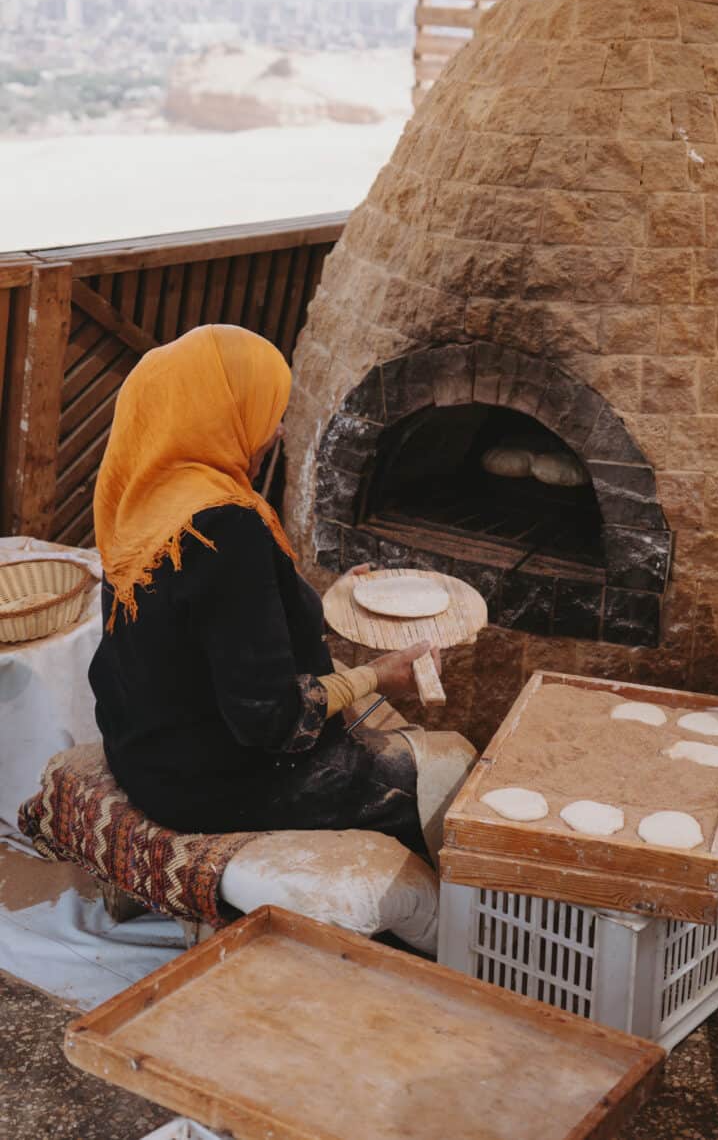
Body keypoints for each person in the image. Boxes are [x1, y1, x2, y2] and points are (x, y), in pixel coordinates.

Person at [88, 324, 465, 859]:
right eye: (267, 411)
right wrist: (379, 677)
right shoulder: (224, 527)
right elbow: (272, 720)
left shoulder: (141, 493)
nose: (279, 430)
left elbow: (203, 619)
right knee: (447, 787)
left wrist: (320, 598)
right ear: (220, 415)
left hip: (142, 749)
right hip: (205, 783)